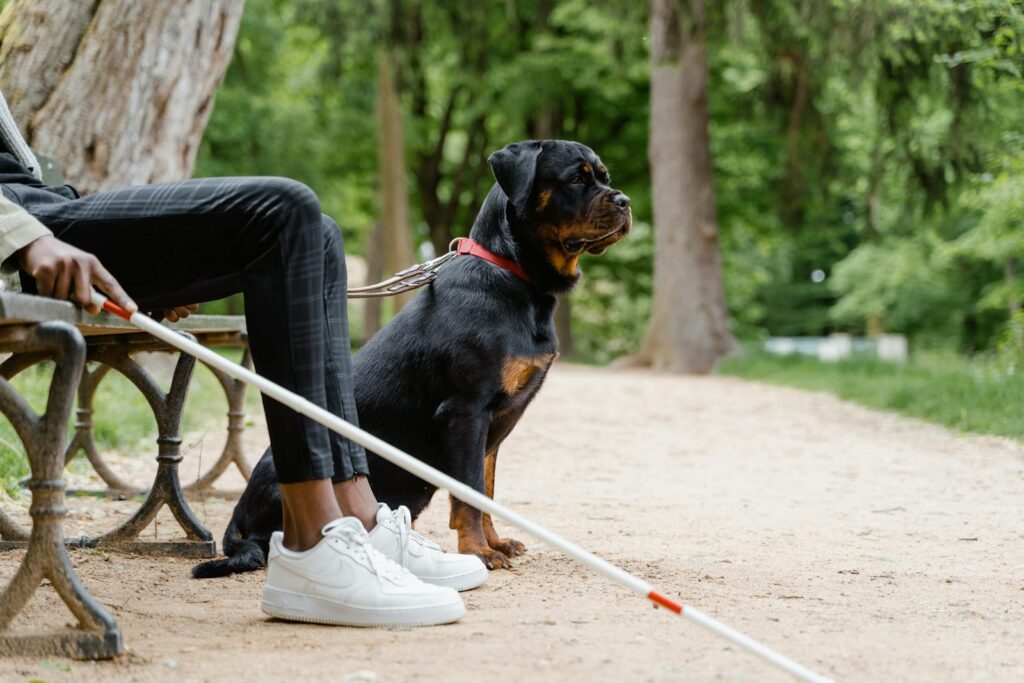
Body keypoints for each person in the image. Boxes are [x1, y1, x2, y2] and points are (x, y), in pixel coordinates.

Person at [0, 90, 486, 627]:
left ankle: (359, 516)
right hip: (17, 229)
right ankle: (310, 543)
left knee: (318, 234)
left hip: (42, 212)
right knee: (283, 210)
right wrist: (25, 239)